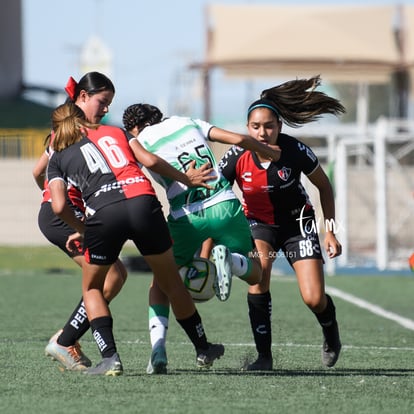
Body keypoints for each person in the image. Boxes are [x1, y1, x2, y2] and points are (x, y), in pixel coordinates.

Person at [47, 102, 224, 376]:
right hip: (143, 202)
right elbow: (150, 161)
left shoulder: (57, 155)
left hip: (105, 214)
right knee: (170, 281)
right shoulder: (115, 131)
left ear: (57, 128)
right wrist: (185, 179)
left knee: (93, 288)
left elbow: (58, 206)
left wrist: (82, 229)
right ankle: (203, 347)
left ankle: (110, 359)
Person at [122, 103, 281, 374]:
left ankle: (158, 346)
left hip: (185, 217)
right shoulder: (187, 121)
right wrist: (268, 151)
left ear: (133, 127)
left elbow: (148, 162)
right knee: (256, 275)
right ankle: (231, 262)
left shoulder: (137, 140)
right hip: (224, 205)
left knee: (161, 283)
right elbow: (239, 139)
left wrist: (184, 179)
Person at [218, 75, 345, 370]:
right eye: (255, 127)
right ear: (247, 128)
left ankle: (331, 332)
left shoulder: (294, 151)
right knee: (258, 279)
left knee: (314, 298)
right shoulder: (236, 155)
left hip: (298, 225)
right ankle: (264, 357)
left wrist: (331, 233)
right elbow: (215, 194)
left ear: (280, 127)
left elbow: (325, 187)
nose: (262, 133)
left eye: (269, 126)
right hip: (258, 225)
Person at [32, 72, 128, 371]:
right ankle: (65, 340)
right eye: (102, 102)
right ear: (82, 98)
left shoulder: (66, 133)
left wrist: (52, 191)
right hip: (63, 216)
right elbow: (41, 174)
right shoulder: (77, 134)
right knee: (111, 277)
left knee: (115, 275)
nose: (106, 110)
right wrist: (59, 201)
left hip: (63, 214)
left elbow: (37, 174)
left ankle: (66, 339)